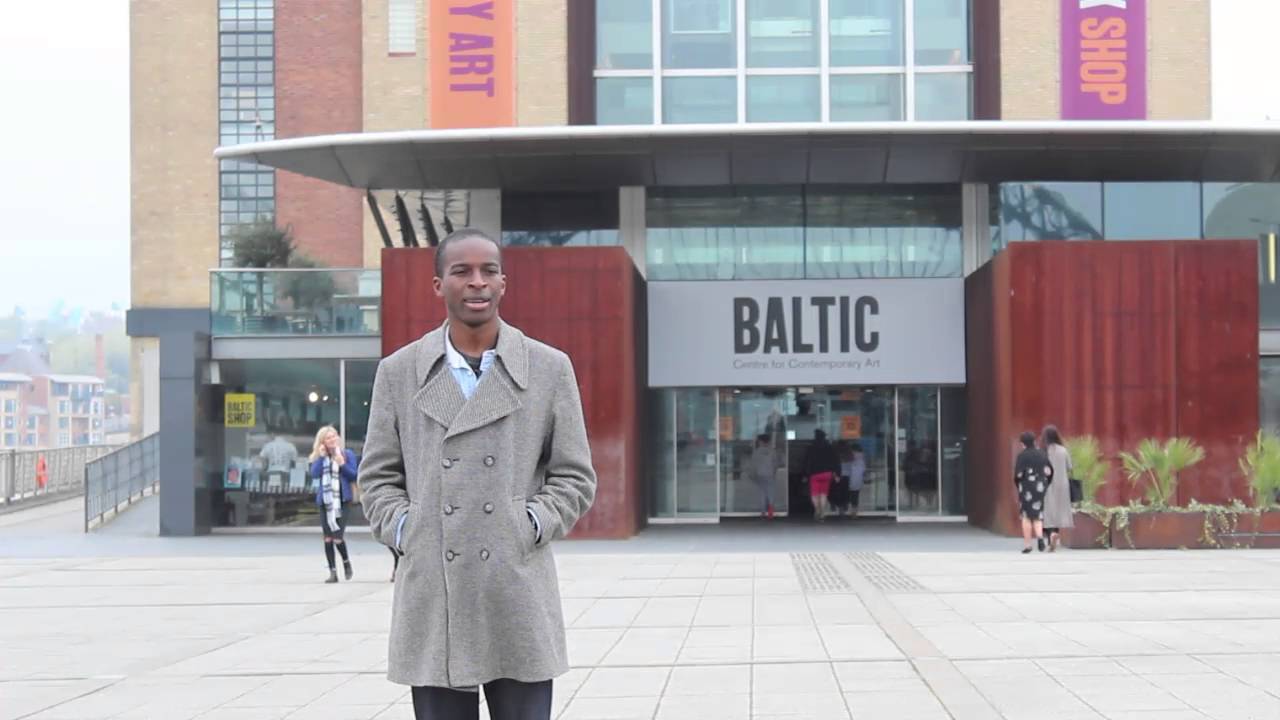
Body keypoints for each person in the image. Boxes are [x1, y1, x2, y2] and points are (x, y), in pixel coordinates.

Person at [358, 228, 598, 720]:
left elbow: (575, 476)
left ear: (504, 283)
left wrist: (526, 524)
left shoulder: (549, 369)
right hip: (434, 591)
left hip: (516, 587)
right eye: (461, 271)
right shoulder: (400, 371)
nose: (477, 282)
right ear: (438, 285)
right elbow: (378, 477)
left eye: (488, 271)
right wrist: (410, 528)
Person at [309, 426, 359, 583]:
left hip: (342, 500)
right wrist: (322, 457)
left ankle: (346, 562)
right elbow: (314, 474)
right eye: (328, 438)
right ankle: (332, 572)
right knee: (328, 538)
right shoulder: (320, 457)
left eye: (334, 436)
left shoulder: (347, 454)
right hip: (325, 501)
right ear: (322, 441)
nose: (332, 439)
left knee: (337, 537)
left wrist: (342, 464)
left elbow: (354, 475)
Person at [1013, 430, 1054, 554]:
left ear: (1023, 443)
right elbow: (1050, 471)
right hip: (1040, 486)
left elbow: (1018, 474)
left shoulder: (1022, 455)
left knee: (1026, 516)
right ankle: (1040, 538)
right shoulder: (1042, 453)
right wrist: (1046, 484)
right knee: (1037, 514)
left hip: (1026, 486)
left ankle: (1028, 545)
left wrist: (1018, 485)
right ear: (1034, 441)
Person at [1041, 425, 1075, 552]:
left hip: (1047, 484)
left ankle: (1050, 536)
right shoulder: (1063, 450)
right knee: (1059, 510)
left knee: (1048, 511)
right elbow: (1070, 467)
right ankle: (1055, 534)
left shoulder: (1043, 450)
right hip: (1062, 484)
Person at [804, 429, 840, 522]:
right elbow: (836, 461)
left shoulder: (811, 448)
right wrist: (837, 473)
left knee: (814, 494)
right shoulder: (830, 447)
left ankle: (817, 509)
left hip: (814, 474)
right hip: (827, 474)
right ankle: (823, 513)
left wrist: (805, 474)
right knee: (823, 494)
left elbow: (807, 462)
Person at [750, 433, 777, 519]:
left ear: (761, 442)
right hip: (770, 474)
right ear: (768, 442)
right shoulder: (772, 451)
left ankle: (763, 512)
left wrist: (753, 474)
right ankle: (770, 512)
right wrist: (773, 472)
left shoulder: (756, 452)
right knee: (770, 492)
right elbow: (776, 464)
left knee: (762, 493)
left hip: (760, 474)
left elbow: (753, 465)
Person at [842, 441, 866, 517]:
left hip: (849, 478)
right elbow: (863, 469)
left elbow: (845, 467)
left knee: (847, 494)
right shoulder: (862, 458)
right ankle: (854, 512)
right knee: (855, 496)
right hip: (858, 480)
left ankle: (845, 509)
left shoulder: (850, 457)